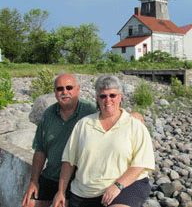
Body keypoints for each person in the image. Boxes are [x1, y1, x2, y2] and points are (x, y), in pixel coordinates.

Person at [22, 73, 144, 207]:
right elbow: (40, 150)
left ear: (78, 89)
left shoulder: (89, 111)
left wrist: (135, 116)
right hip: (52, 175)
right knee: (29, 203)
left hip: (76, 178)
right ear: (55, 92)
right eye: (60, 89)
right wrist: (33, 181)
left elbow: (110, 109)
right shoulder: (48, 115)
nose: (65, 92)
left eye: (69, 87)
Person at [52, 75, 155, 207]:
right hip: (85, 192)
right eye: (103, 96)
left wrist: (117, 186)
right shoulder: (83, 125)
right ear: (97, 98)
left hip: (124, 187)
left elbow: (140, 164)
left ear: (120, 96)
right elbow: (68, 161)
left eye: (112, 95)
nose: (108, 100)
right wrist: (61, 192)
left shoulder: (135, 126)